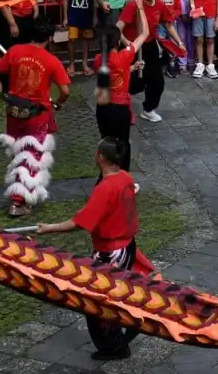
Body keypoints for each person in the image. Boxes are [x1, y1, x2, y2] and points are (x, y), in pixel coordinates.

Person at [37, 137, 148, 361]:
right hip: (126, 246)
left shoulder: (105, 188)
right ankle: (126, 326)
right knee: (114, 292)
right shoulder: (125, 178)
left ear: (100, 157)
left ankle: (114, 346)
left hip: (110, 253)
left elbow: (80, 222)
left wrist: (48, 228)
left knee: (98, 302)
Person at [0, 17, 72, 216]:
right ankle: (19, 202)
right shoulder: (52, 61)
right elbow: (66, 91)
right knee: (32, 158)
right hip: (37, 117)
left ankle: (20, 195)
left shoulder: (16, 51)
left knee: (19, 154)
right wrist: (57, 103)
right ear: (50, 38)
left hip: (15, 114)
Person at [116, 0, 186, 123]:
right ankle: (117, 103)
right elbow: (117, 29)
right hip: (132, 48)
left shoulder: (160, 4)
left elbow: (168, 25)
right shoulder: (133, 5)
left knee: (157, 81)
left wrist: (179, 42)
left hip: (149, 45)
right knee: (134, 84)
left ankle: (148, 109)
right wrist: (128, 44)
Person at [93, 0, 149, 173]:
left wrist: (131, 68)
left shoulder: (97, 60)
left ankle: (106, 172)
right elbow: (145, 33)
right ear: (116, 42)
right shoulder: (123, 56)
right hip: (119, 109)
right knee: (122, 144)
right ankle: (120, 175)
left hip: (102, 108)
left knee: (107, 142)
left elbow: (112, 74)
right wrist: (140, 8)